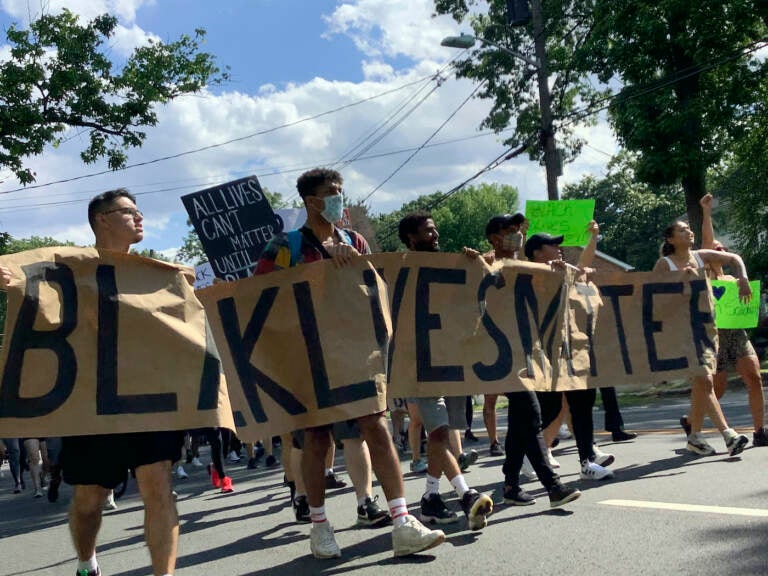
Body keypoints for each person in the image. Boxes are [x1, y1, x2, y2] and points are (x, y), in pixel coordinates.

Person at [254, 169, 444, 558]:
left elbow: (378, 290)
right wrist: (318, 271)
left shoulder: (354, 240)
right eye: (331, 193)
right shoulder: (284, 246)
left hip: (357, 353)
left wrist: (358, 263)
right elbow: (257, 300)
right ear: (311, 201)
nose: (339, 199)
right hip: (308, 359)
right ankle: (320, 527)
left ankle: (402, 522)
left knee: (376, 427)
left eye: (340, 191)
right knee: (317, 438)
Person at [0, 188, 185, 576]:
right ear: (102, 219)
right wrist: (14, 284)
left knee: (157, 483)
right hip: (94, 404)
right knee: (89, 499)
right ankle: (87, 562)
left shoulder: (159, 276)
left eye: (140, 212)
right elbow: (43, 308)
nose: (140, 218)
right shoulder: (70, 271)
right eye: (130, 211)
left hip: (150, 398)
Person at [463, 213, 581, 507]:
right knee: (530, 412)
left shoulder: (530, 268)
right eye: (509, 229)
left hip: (529, 354)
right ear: (493, 237)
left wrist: (553, 272)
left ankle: (511, 484)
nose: (516, 233)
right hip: (499, 356)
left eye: (518, 229)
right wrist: (469, 264)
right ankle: (553, 486)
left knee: (520, 420)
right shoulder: (484, 263)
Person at [398, 211, 494, 530]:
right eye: (428, 231)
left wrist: (473, 267)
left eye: (435, 229)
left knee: (440, 432)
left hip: (445, 361)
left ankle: (435, 498)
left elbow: (470, 303)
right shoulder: (398, 269)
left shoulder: (447, 267)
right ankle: (459, 495)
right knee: (438, 431)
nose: (435, 235)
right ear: (412, 238)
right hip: (416, 364)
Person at [652, 218, 751, 456]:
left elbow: (734, 258)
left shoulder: (700, 256)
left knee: (700, 384)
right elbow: (655, 302)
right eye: (682, 230)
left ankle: (694, 436)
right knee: (705, 381)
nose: (689, 231)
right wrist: (680, 282)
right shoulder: (664, 265)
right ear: (671, 239)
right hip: (680, 331)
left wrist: (743, 277)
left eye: (689, 228)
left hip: (706, 327)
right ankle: (729, 435)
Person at [524, 227, 616, 481]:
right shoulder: (528, 274)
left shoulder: (565, 272)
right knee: (550, 409)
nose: (559, 249)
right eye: (552, 245)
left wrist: (593, 238)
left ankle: (587, 461)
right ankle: (530, 453)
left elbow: (583, 264)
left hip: (572, 350)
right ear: (536, 253)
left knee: (583, 403)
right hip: (544, 354)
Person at [683, 194, 767, 446]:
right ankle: (690, 422)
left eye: (722, 250)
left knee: (754, 378)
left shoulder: (732, 281)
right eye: (715, 250)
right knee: (716, 389)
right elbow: (707, 241)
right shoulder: (706, 276)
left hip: (737, 335)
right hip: (713, 337)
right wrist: (706, 213)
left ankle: (760, 431)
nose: (719, 252)